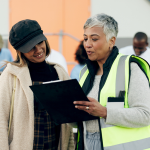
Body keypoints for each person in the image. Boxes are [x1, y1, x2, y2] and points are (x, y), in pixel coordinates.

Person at [73, 14, 150, 150]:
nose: (87, 44)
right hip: (87, 142)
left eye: (94, 39)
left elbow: (145, 115)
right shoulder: (85, 72)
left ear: (111, 41)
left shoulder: (130, 67)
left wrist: (105, 112)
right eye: (85, 38)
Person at [0, 19, 75, 150]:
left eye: (40, 42)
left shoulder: (59, 72)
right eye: (30, 47)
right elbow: (1, 120)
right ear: (20, 51)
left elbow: (68, 120)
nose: (38, 49)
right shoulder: (10, 74)